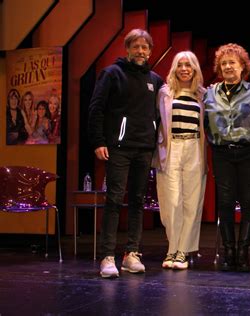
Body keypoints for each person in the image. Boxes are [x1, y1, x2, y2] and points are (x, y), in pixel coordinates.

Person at [88, 28, 163, 278]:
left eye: (145, 47)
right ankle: (107, 257)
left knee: (138, 202)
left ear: (150, 51)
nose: (140, 51)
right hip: (117, 149)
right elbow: (96, 108)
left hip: (144, 149)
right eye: (136, 46)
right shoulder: (112, 74)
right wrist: (98, 141)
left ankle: (132, 254)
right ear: (127, 49)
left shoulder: (155, 79)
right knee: (114, 200)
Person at [204, 43, 250, 272]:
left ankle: (243, 251)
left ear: (243, 66)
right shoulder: (210, 93)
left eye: (233, 62)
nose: (228, 66)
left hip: (249, 152)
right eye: (224, 63)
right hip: (221, 153)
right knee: (226, 202)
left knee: (248, 202)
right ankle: (229, 251)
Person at [152, 51, 207, 270]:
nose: (184, 69)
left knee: (191, 202)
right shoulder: (165, 92)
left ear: (195, 69)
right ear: (175, 68)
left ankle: (183, 251)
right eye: (180, 65)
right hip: (171, 147)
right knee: (171, 201)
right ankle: (172, 248)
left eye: (189, 65)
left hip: (194, 147)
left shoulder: (202, 94)